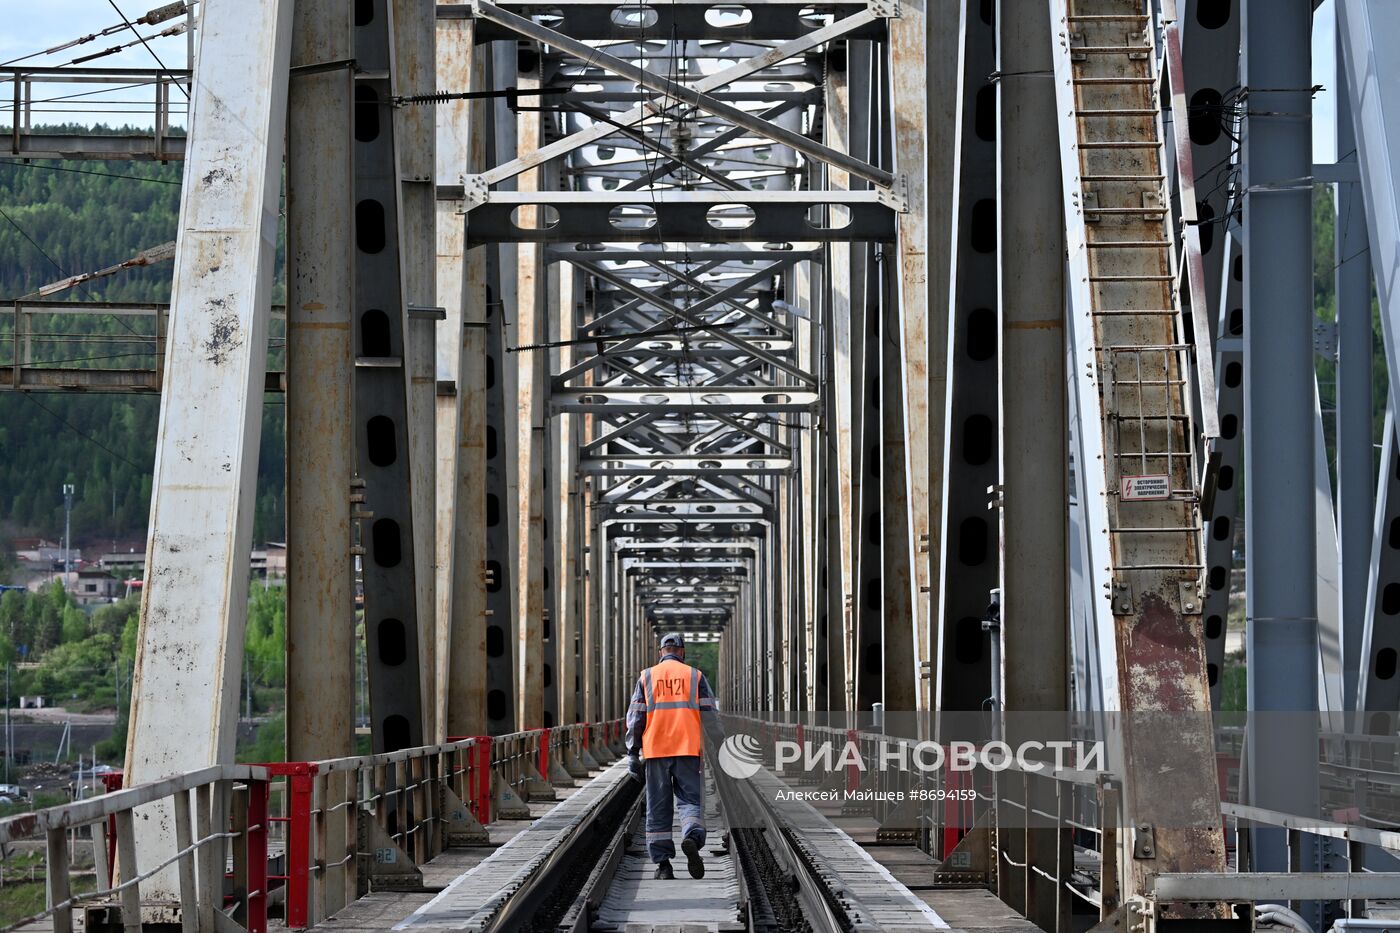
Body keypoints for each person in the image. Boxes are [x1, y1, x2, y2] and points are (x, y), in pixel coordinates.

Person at [625, 632, 722, 880]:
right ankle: (691, 836)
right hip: (687, 749)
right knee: (690, 801)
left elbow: (636, 717)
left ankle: (664, 866)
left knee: (658, 809)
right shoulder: (694, 676)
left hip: (656, 752)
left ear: (661, 652)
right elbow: (710, 713)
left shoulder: (647, 677)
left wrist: (633, 753)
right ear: (682, 651)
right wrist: (720, 743)